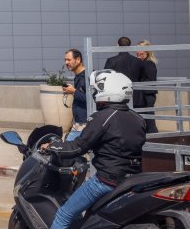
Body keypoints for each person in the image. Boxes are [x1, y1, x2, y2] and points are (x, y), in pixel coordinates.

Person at [44, 71, 146, 229]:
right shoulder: (137, 118)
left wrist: (53, 146)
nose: (95, 93)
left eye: (97, 90)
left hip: (106, 181)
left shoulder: (102, 118)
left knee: (64, 214)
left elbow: (78, 147)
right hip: (131, 180)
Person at [62, 49, 87, 141]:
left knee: (72, 148)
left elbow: (91, 99)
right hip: (78, 122)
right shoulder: (78, 76)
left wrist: (74, 91)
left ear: (78, 60)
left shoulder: (87, 76)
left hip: (85, 123)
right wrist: (72, 91)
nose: (66, 62)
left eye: (69, 60)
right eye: (65, 60)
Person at [136, 40, 159, 134]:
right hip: (145, 94)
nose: (136, 51)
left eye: (138, 49)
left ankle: (154, 139)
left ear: (146, 51)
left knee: (149, 120)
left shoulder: (148, 63)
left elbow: (150, 79)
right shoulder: (143, 62)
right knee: (144, 118)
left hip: (147, 95)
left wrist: (138, 82)